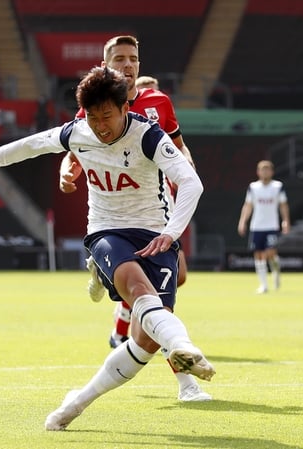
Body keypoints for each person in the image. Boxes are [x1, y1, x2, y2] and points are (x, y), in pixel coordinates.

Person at [0, 66, 215, 431]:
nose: (100, 126)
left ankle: (77, 401)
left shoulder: (148, 135)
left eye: (107, 116)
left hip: (154, 233)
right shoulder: (76, 133)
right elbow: (28, 146)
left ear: (124, 108)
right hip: (107, 231)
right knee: (136, 287)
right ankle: (183, 345)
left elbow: (191, 182)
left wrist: (170, 233)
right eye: (93, 117)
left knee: (145, 343)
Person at [58, 36, 210, 402]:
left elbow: (178, 143)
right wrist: (66, 170)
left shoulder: (159, 103)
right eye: (120, 59)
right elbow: (72, 149)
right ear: (105, 65)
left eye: (133, 59)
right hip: (116, 214)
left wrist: (186, 165)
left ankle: (113, 294)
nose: (128, 65)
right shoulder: (97, 106)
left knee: (177, 279)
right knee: (156, 294)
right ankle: (186, 383)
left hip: (157, 206)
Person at [237, 160, 291, 294]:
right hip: (257, 226)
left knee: (270, 253)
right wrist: (243, 221)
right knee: (258, 254)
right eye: (262, 169)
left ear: (272, 172)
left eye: (267, 169)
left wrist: (285, 221)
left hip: (271, 226)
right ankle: (264, 285)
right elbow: (248, 205)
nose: (265, 172)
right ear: (258, 172)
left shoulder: (277, 186)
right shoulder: (253, 187)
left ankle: (276, 271)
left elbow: (283, 205)